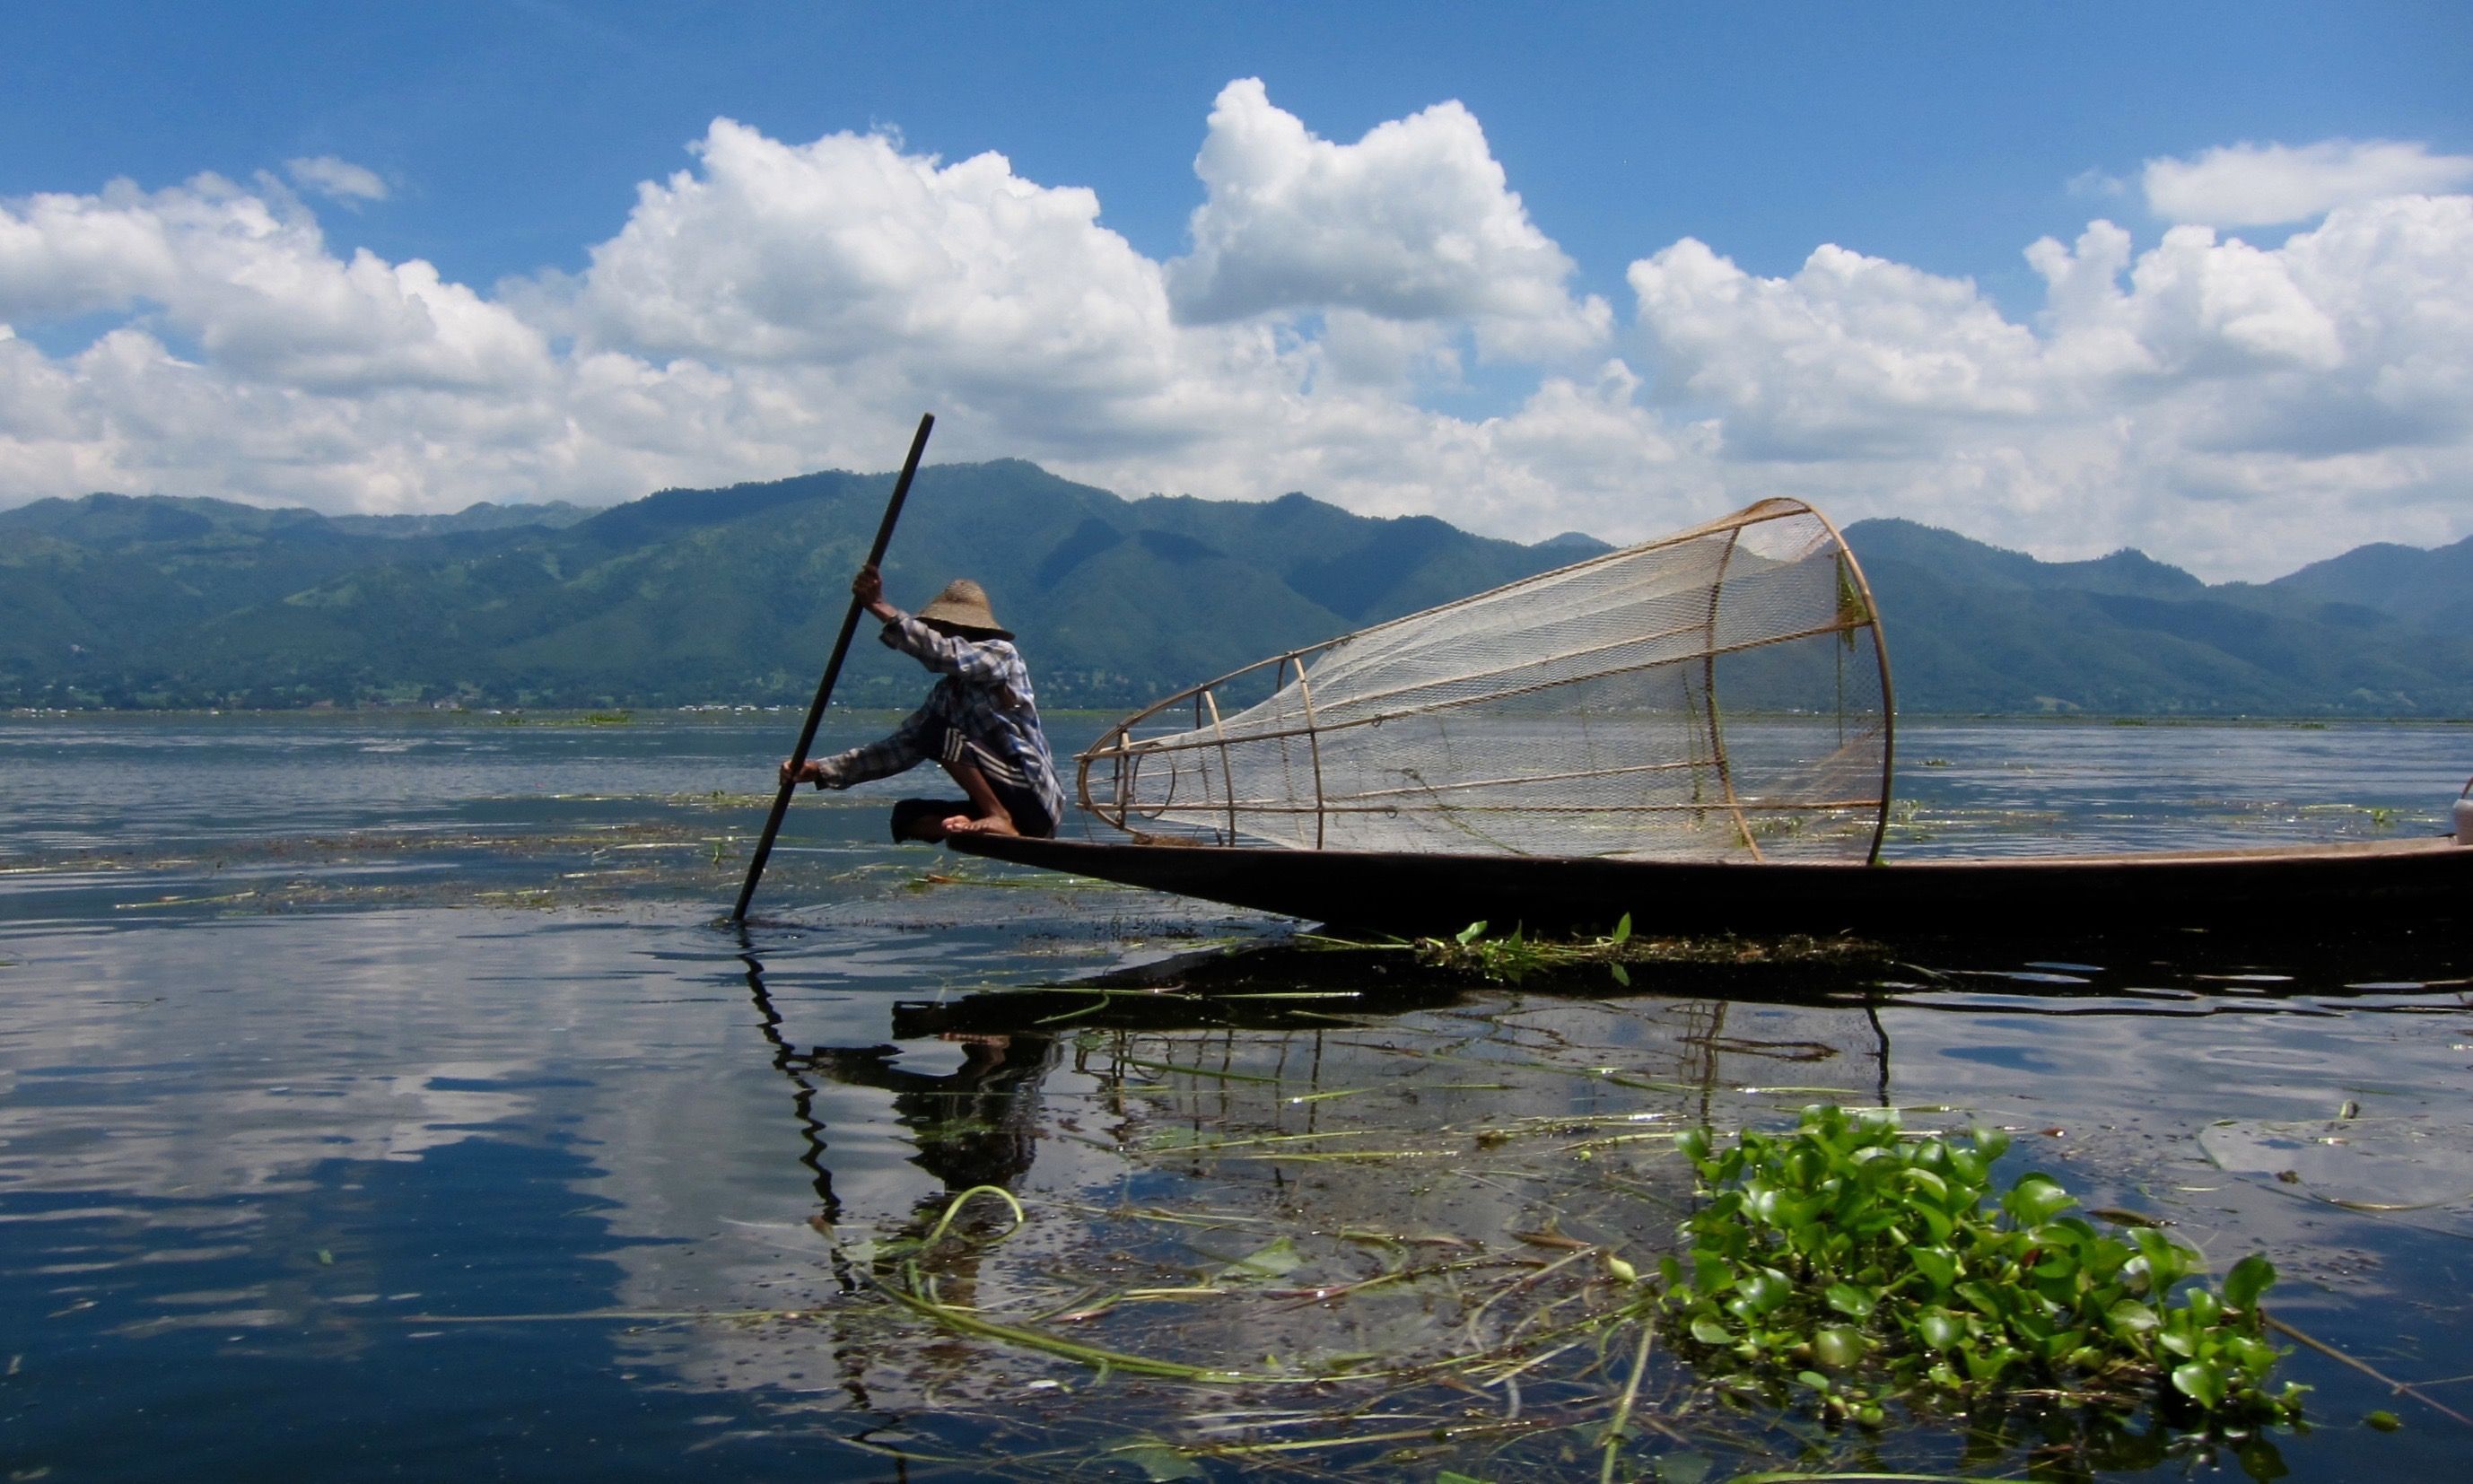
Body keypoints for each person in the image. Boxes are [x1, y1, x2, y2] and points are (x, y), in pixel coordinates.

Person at [780, 566, 1064, 841]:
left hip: (1032, 799)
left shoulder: (1001, 656)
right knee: (905, 816)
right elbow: (897, 749)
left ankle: (997, 817)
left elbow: (945, 653)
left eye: (939, 628)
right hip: (1007, 807)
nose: (934, 634)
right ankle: (969, 826)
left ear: (957, 628)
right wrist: (820, 770)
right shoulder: (944, 696)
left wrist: (878, 605)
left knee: (934, 732)